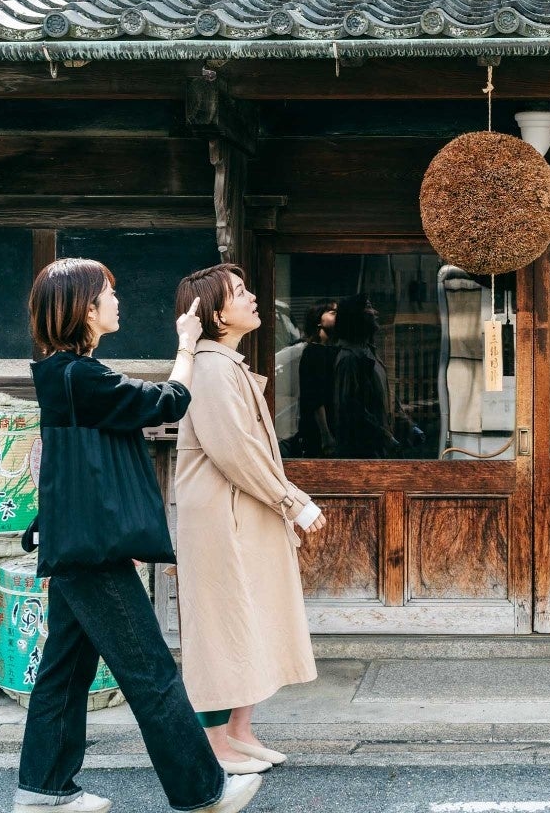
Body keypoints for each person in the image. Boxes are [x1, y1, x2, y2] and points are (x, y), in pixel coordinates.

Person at [15, 258, 259, 813]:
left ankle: (43, 789)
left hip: (78, 540)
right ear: (84, 309)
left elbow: (67, 462)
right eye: (108, 294)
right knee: (150, 672)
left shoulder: (63, 374)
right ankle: (203, 791)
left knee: (65, 670)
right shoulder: (82, 376)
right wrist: (187, 346)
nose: (117, 302)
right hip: (94, 548)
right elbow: (167, 402)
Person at [173, 264, 326, 772]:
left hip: (241, 511)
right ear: (216, 312)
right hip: (223, 516)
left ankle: (239, 732)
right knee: (222, 623)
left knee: (251, 617)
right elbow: (234, 451)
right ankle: (215, 743)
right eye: (240, 292)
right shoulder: (212, 368)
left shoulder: (226, 363)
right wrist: (293, 501)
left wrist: (285, 499)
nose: (253, 297)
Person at [329, 294, 400, 459]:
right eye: (368, 307)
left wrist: (408, 426)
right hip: (362, 454)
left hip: (377, 451)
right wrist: (385, 437)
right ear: (356, 316)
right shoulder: (349, 358)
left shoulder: (369, 353)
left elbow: (385, 397)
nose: (375, 312)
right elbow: (351, 410)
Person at [282, 301, 337, 459]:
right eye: (332, 313)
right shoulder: (312, 352)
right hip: (317, 430)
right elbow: (315, 397)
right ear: (318, 320)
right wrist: (325, 434)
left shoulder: (330, 351)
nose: (338, 317)